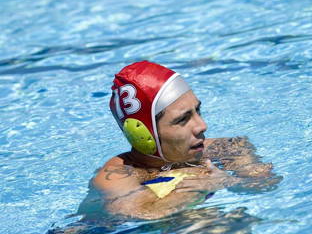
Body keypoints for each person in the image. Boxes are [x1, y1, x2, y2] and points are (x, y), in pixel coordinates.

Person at [92, 60, 281, 220]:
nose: (201, 125)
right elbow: (141, 213)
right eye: (182, 119)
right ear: (144, 135)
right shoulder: (117, 176)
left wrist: (232, 180)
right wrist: (202, 185)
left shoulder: (226, 148)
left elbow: (265, 184)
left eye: (197, 110)